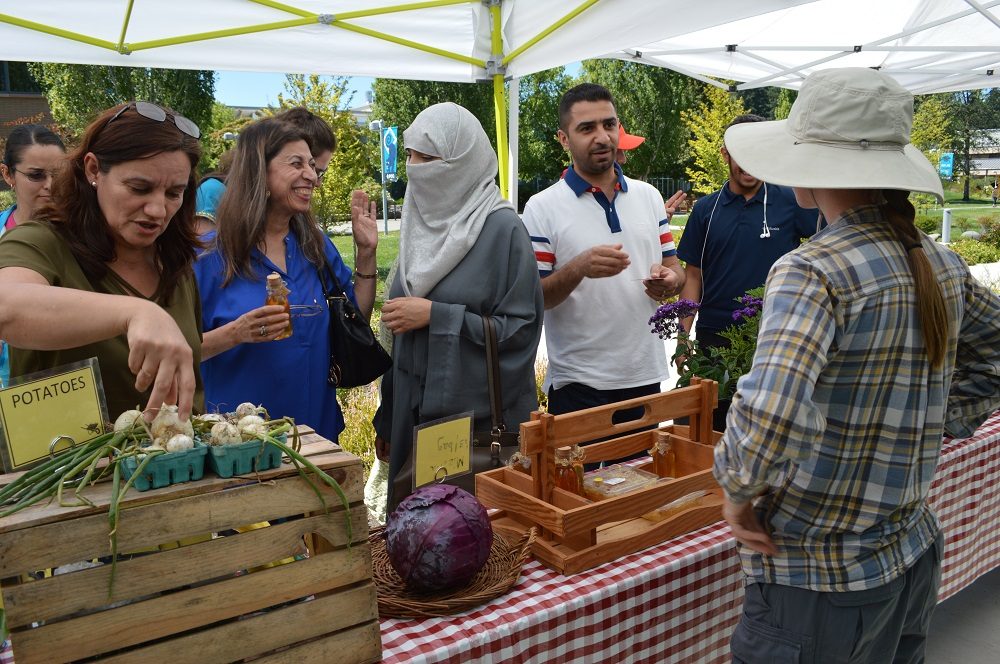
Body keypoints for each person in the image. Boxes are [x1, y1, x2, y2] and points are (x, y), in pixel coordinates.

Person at [714, 67, 1000, 663]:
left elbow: (770, 412)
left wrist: (738, 490)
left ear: (815, 163)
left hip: (819, 578)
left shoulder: (813, 270)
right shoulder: (939, 261)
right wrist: (928, 420)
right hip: (910, 556)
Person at [373, 102, 543, 509]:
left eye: (427, 158)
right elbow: (399, 341)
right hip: (412, 420)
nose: (415, 168)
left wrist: (436, 316)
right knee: (422, 543)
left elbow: (520, 330)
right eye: (411, 155)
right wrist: (388, 415)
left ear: (461, 162)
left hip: (477, 430)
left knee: (472, 539)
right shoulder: (417, 226)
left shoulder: (503, 230)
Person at [0, 102, 204, 418]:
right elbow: (6, 307)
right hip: (64, 465)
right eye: (139, 188)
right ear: (93, 169)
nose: (157, 210)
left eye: (173, 193)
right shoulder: (41, 242)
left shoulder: (174, 262)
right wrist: (136, 312)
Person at [194, 117, 378, 442]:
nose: (312, 176)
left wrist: (366, 253)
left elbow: (356, 319)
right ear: (258, 173)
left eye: (312, 165)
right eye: (296, 164)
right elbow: (179, 352)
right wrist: (236, 333)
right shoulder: (208, 260)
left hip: (317, 437)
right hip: (240, 448)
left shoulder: (315, 248)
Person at [521, 83, 684, 420]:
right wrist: (578, 267)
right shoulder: (542, 207)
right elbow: (536, 297)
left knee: (643, 474)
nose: (602, 136)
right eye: (586, 128)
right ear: (564, 139)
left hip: (645, 375)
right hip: (579, 384)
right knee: (580, 475)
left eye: (609, 124)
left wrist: (669, 280)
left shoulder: (649, 196)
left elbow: (676, 269)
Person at [675, 114, 819, 429]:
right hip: (714, 340)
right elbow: (693, 277)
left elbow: (826, 246)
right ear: (725, 153)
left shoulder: (792, 201)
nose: (749, 162)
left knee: (768, 432)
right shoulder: (705, 211)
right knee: (703, 430)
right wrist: (683, 338)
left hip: (775, 338)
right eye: (741, 151)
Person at [194, 106, 337, 234]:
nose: (314, 179)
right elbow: (203, 258)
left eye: (313, 167)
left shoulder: (292, 218)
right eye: (297, 163)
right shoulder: (213, 192)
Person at [0, 124, 67, 387]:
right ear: (8, 174)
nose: (50, 186)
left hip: (71, 386)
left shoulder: (87, 238)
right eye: (36, 175)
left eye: (59, 174)